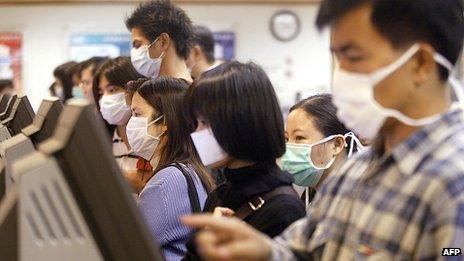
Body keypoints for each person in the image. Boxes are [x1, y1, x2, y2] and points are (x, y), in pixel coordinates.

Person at [182, 0, 464, 260]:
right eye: (338, 60)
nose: (341, 78)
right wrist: (263, 251)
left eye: (353, 58)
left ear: (420, 64)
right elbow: (301, 249)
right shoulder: (357, 172)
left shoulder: (452, 183)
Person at [185, 61, 305, 246]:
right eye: (196, 123)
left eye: (205, 122)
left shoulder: (284, 209)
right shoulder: (220, 194)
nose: (197, 132)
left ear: (239, 121)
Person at [130, 76, 215, 260]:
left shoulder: (166, 181)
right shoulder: (191, 168)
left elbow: (127, 246)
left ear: (165, 122)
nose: (131, 124)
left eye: (137, 114)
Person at [282, 94, 363, 208]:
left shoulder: (356, 199)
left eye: (299, 138)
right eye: (286, 139)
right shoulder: (311, 196)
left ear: (337, 144)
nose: (289, 147)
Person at [92, 57, 144, 172]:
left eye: (112, 90)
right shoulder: (101, 143)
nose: (104, 98)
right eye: (101, 93)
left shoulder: (151, 138)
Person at [125, 0, 193, 82]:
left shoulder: (194, 93)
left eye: (138, 45)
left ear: (163, 41)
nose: (134, 53)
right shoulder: (195, 91)